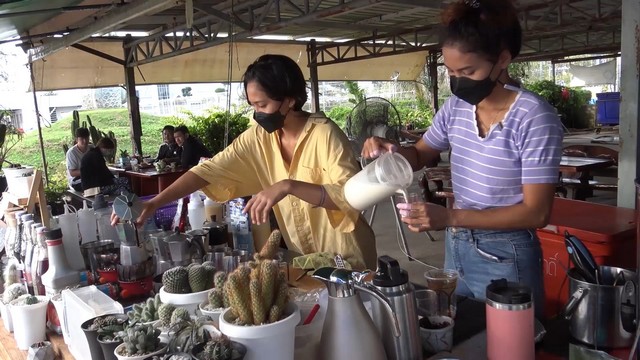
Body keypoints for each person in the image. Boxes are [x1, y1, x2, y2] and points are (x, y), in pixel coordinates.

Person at [362, 0, 563, 317]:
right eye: (451, 71)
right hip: (458, 246)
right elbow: (420, 154)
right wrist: (393, 150)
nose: (458, 81)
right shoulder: (455, 108)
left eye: (468, 71)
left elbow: (536, 212)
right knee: (462, 333)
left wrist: (449, 218)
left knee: (510, 343)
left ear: (503, 59)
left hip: (506, 252)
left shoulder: (534, 116)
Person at [113, 54, 376, 270]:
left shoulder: (325, 134)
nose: (257, 114)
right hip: (306, 261)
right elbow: (207, 171)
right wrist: (156, 201)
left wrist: (288, 185)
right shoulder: (259, 138)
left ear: (290, 100)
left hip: (348, 261)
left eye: (262, 105)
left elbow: (348, 197)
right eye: (253, 105)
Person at [66, 127, 93, 191]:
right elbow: (72, 173)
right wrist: (89, 171)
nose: (85, 141)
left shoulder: (92, 148)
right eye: (82, 139)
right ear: (76, 139)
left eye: (86, 138)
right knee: (94, 184)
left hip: (92, 176)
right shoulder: (72, 152)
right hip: (76, 180)